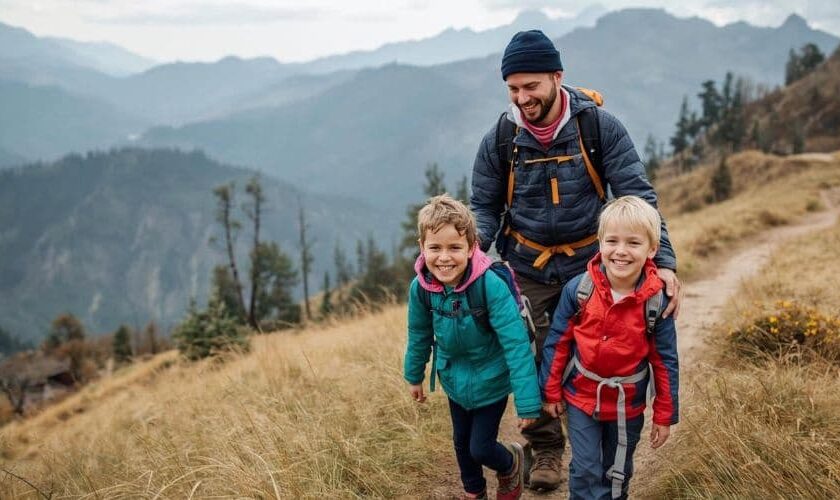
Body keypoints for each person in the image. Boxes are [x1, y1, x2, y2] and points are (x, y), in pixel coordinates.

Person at [470, 29, 681, 490]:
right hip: (526, 265)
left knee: (593, 349)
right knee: (535, 356)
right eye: (514, 89)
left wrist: (663, 260)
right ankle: (546, 449)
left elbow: (637, 197)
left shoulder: (598, 128)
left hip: (594, 264)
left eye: (532, 86)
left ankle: (602, 443)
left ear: (557, 78)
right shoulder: (501, 139)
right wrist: (469, 250)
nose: (523, 98)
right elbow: (483, 206)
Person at [540, 195, 679, 499]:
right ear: (600, 243)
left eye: (633, 243)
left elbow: (665, 361)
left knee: (618, 469)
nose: (621, 251)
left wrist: (664, 414)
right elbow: (558, 343)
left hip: (626, 405)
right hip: (581, 398)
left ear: (652, 249)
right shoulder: (579, 290)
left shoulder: (656, 302)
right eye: (612, 241)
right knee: (586, 467)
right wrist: (551, 392)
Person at [404, 194, 541, 500]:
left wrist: (528, 401)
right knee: (461, 445)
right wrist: (414, 376)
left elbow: (516, 344)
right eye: (435, 248)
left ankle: (509, 463)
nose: (444, 257)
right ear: (422, 246)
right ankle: (474, 493)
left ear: (471, 246)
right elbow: (418, 334)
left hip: (491, 380)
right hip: (454, 378)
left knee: (480, 447)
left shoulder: (489, 285)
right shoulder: (422, 288)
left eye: (455, 247)